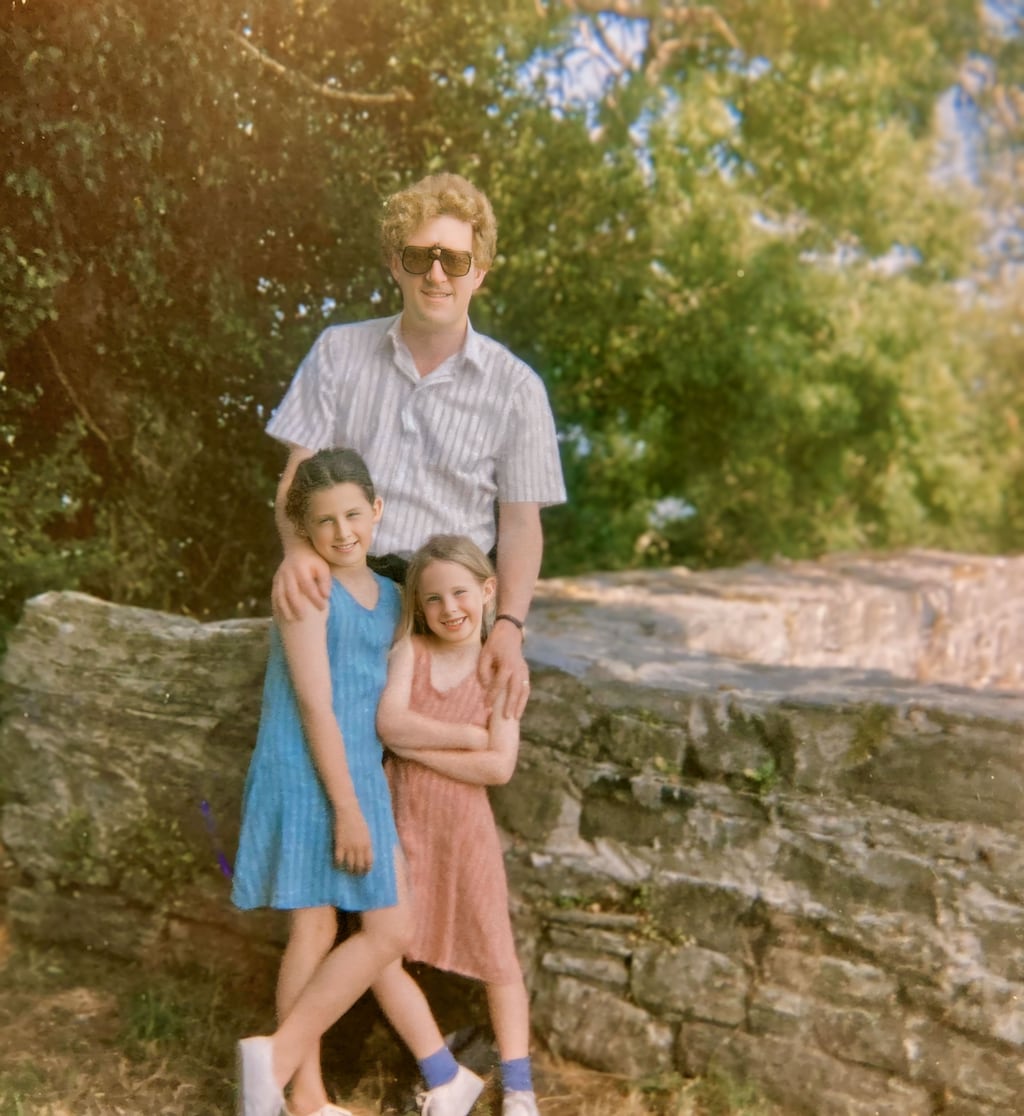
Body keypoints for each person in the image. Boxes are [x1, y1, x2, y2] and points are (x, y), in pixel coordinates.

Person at [265, 172, 565, 721]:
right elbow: (298, 478)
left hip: (447, 613)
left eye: (453, 260)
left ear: (479, 273)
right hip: (345, 592)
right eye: (419, 255)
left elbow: (521, 526)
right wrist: (297, 555)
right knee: (324, 761)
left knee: (430, 791)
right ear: (394, 264)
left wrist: (509, 629)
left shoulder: (518, 389)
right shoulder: (338, 352)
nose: (435, 274)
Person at [232, 447, 439, 1116]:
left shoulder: (394, 599)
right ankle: (301, 1087)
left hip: (360, 774)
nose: (343, 532)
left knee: (362, 930)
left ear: (377, 511)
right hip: (306, 771)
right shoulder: (306, 586)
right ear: (305, 529)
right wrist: (347, 807)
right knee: (339, 929)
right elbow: (317, 705)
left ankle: (285, 1073)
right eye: (324, 522)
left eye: (354, 514)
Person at [370, 535, 539, 1116]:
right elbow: (391, 725)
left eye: (460, 593)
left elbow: (499, 765)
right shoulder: (410, 652)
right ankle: (444, 1075)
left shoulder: (501, 670)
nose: (449, 609)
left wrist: (425, 749)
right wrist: (467, 736)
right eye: (433, 599)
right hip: (404, 821)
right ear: (419, 604)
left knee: (497, 956)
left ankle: (519, 1089)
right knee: (379, 951)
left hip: (464, 832)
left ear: (488, 590)